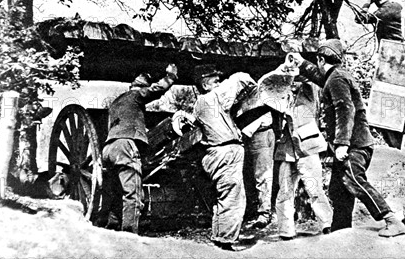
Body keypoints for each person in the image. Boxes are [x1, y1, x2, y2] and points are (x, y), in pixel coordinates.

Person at [288, 40, 405, 237]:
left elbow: (345, 109)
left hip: (354, 144)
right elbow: (320, 77)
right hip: (353, 143)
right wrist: (301, 62)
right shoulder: (336, 76)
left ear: (320, 59)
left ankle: (391, 220)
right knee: (339, 188)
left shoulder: (336, 79)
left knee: (353, 180)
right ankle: (340, 230)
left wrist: (342, 144)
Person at [100, 64, 178, 233]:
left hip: (109, 148)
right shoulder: (135, 95)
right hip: (125, 146)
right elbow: (156, 90)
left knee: (117, 191)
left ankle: (112, 226)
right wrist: (170, 77)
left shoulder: (116, 103)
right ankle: (129, 235)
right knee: (133, 193)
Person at [191, 64, 257, 251]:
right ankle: (226, 242)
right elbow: (241, 77)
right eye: (215, 79)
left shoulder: (201, 104)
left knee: (225, 195)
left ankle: (220, 237)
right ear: (204, 84)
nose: (219, 81)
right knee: (233, 197)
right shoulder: (213, 97)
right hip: (225, 151)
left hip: (216, 153)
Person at [274, 77, 333, 240]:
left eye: (296, 79)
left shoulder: (310, 91)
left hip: (307, 146)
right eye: (290, 80)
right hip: (287, 149)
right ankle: (286, 230)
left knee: (314, 188)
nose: (293, 82)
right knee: (285, 190)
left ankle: (327, 223)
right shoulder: (283, 96)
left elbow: (312, 82)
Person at [237, 106, 276, 229]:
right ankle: (250, 210)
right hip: (246, 137)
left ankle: (264, 213)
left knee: (263, 175)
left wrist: (242, 132)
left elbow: (263, 115)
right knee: (247, 176)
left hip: (261, 135)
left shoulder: (261, 94)